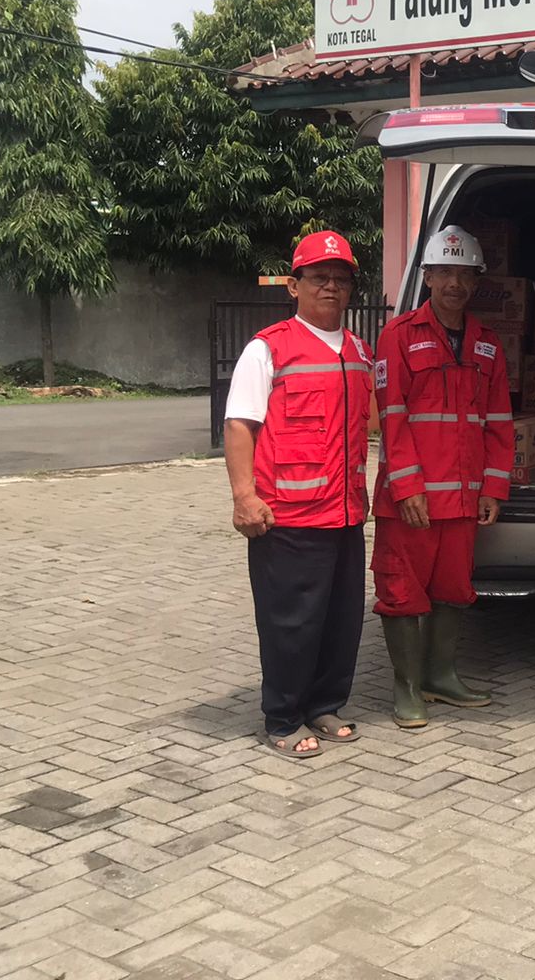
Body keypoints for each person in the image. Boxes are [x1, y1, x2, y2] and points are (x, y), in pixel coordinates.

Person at [224, 230, 374, 759]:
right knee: (291, 623)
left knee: (340, 621)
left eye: (341, 279)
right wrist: (244, 497)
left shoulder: (359, 352)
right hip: (286, 517)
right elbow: (240, 425)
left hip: (345, 515)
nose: (331, 287)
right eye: (319, 278)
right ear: (295, 285)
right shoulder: (268, 349)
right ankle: (283, 717)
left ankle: (325, 704)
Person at [371, 226, 512, 730]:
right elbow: (391, 416)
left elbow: (498, 422)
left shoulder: (487, 345)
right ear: (427, 276)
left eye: (464, 273)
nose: (454, 282)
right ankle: (406, 687)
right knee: (402, 592)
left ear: (476, 281)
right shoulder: (398, 336)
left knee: (454, 590)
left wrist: (495, 487)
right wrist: (407, 487)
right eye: (445, 271)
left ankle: (440, 675)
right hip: (411, 501)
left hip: (463, 500)